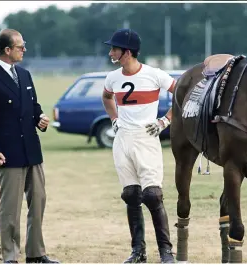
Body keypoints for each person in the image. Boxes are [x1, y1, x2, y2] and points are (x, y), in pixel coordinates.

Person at [0, 29, 59, 264]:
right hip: (7, 154)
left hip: (32, 151)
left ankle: (36, 253)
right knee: (11, 209)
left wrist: (39, 118)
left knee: (39, 202)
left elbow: (32, 107)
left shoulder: (25, 74)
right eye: (21, 46)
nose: (24, 50)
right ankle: (10, 257)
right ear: (7, 50)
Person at [102, 28, 176, 264]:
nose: (111, 52)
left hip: (147, 137)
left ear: (127, 52)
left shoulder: (154, 74)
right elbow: (106, 97)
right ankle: (138, 252)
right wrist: (114, 120)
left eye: (114, 48)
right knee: (131, 194)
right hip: (123, 138)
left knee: (152, 195)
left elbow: (183, 93)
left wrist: (165, 120)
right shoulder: (112, 77)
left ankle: (166, 252)